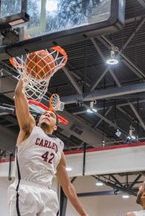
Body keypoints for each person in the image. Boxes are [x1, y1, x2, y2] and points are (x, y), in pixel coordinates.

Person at [8, 78, 88, 216]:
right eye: (44, 114)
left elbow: (68, 186)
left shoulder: (59, 147)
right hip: (26, 188)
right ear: (38, 120)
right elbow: (18, 93)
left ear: (56, 126)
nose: (47, 115)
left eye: (51, 115)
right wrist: (25, 77)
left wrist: (84, 214)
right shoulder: (29, 129)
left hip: (48, 194)